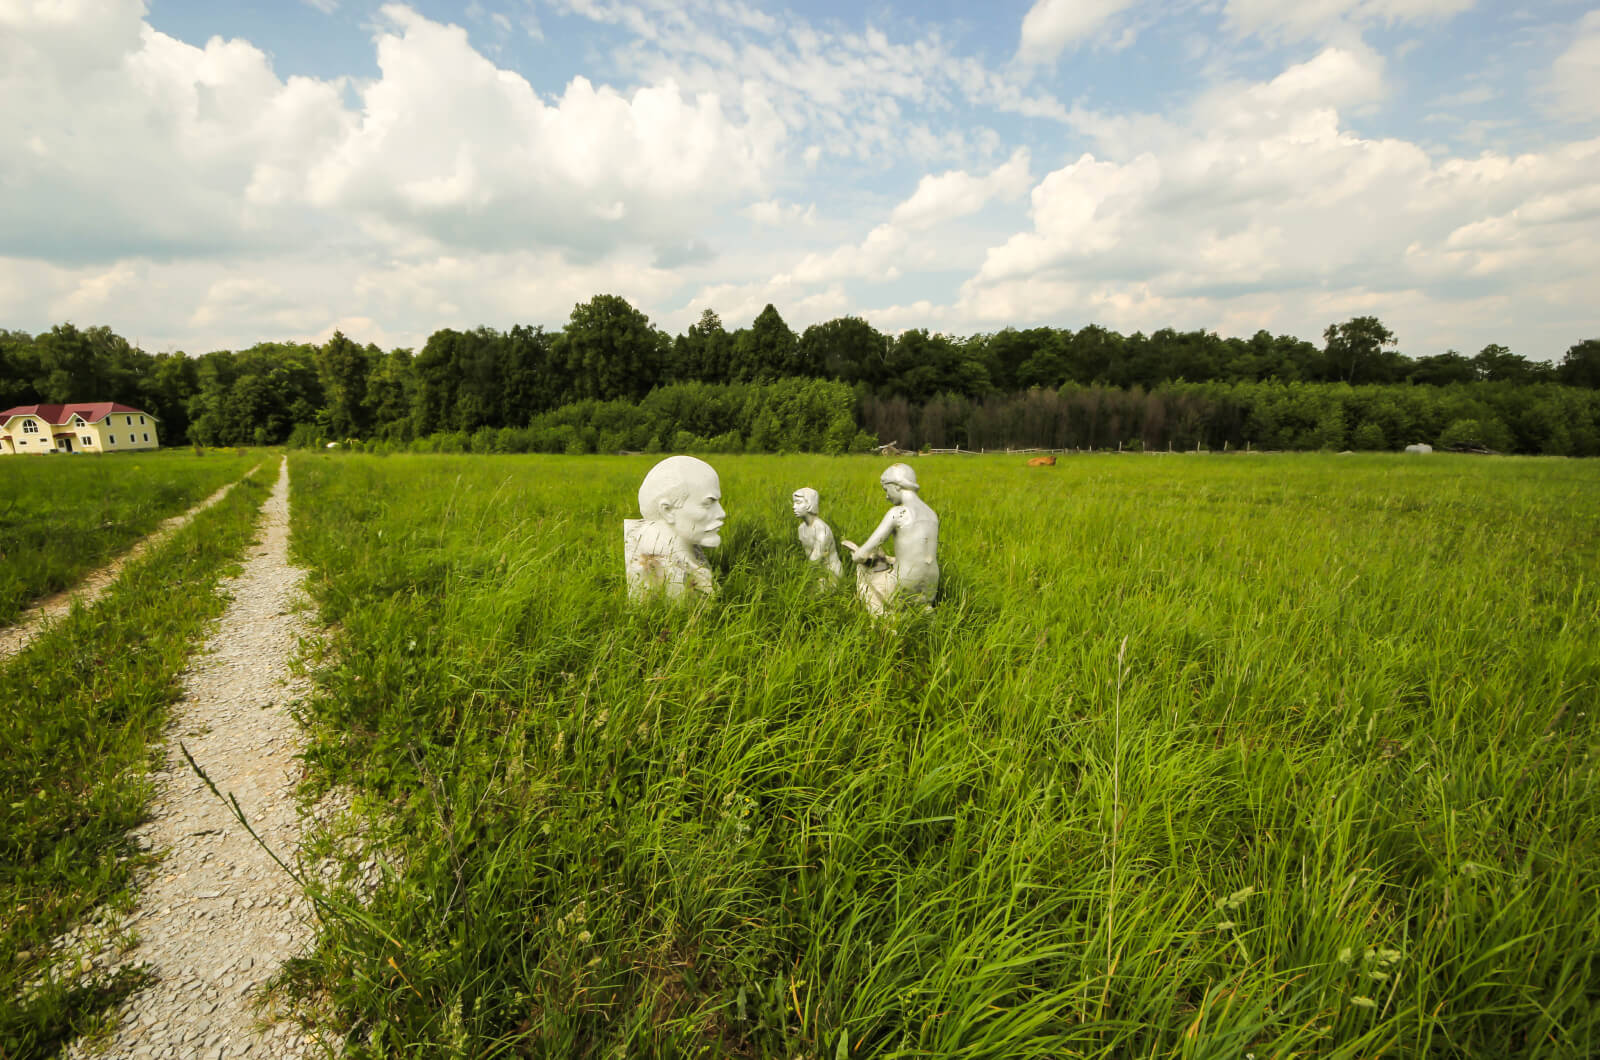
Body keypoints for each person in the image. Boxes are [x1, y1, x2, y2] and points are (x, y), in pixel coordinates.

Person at [625, 455, 725, 600]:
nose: (721, 513)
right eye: (708, 503)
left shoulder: (687, 550)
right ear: (668, 511)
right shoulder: (661, 575)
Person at [843, 463, 939, 613]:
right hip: (932, 584)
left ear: (897, 486)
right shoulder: (931, 514)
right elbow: (918, 554)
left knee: (863, 573)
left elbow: (864, 552)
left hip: (906, 582)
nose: (887, 496)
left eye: (886, 490)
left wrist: (857, 554)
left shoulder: (898, 512)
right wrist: (889, 558)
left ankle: (882, 619)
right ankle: (924, 610)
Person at [791, 487, 843, 581]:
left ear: (810, 504)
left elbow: (816, 558)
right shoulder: (801, 529)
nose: (794, 507)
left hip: (831, 574)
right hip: (816, 573)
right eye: (794, 503)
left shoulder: (821, 529)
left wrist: (799, 575)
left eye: (798, 503)